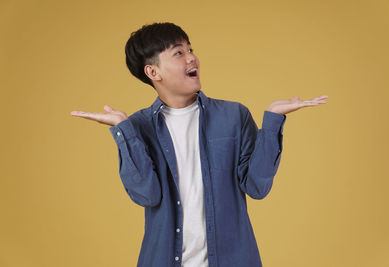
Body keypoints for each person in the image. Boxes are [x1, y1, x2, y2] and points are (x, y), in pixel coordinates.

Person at [70, 22, 328, 267]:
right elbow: (146, 194)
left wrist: (273, 121)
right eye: (178, 53)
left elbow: (257, 187)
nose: (191, 58)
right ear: (153, 72)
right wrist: (123, 130)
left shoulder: (234, 116)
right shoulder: (138, 127)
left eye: (190, 49)